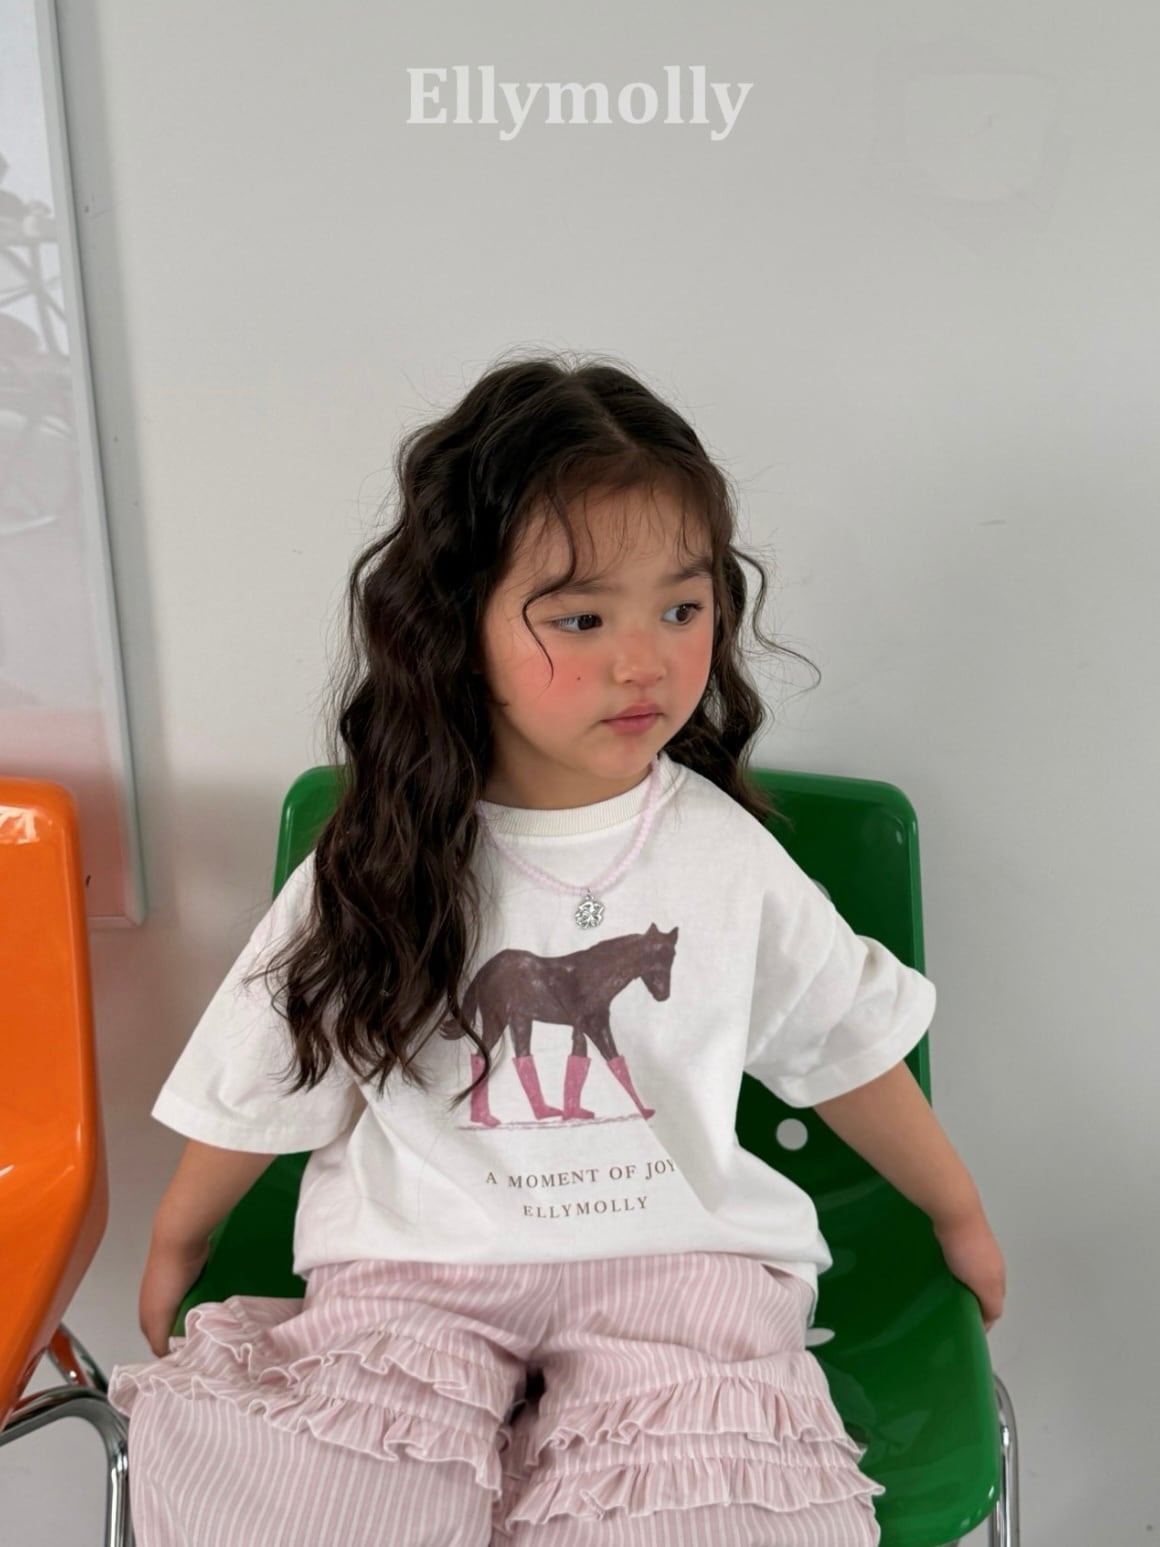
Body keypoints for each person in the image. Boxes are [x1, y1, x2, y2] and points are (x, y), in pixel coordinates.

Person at [108, 351, 1006, 1547]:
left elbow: (839, 1043)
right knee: (312, 1507)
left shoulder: (721, 854)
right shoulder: (381, 849)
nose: (643, 660)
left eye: (680, 608)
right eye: (581, 618)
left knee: (710, 1522)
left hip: (678, 1271)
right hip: (417, 1271)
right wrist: (180, 1233)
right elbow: (278, 1053)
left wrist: (955, 1207)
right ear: (456, 624)